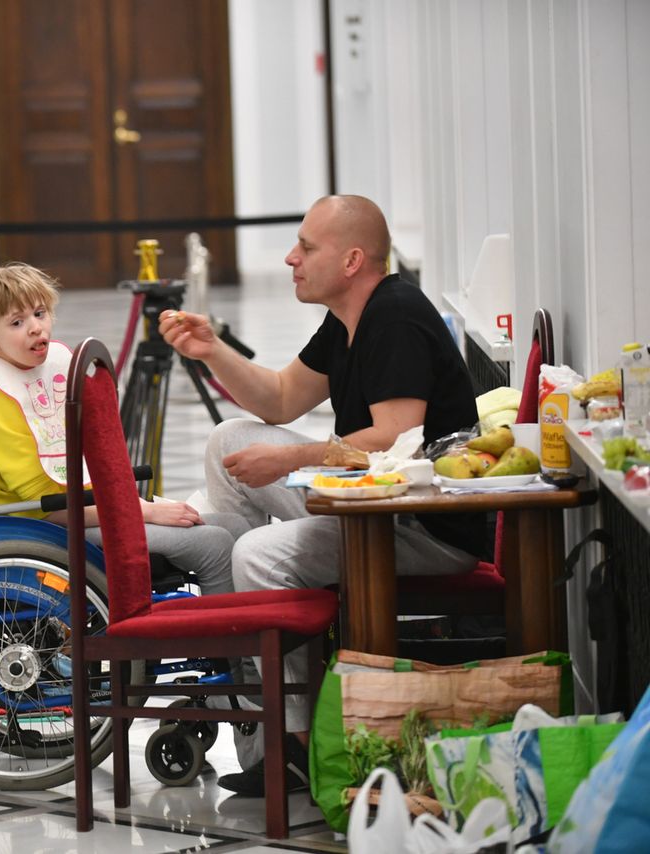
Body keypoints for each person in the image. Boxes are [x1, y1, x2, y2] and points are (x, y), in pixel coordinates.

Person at [158, 194, 486, 796]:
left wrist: (290, 458)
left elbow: (395, 438)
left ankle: (297, 743)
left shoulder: (396, 315)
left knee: (259, 553)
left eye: (307, 247)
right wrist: (212, 351)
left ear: (353, 259)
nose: (291, 258)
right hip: (373, 504)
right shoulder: (349, 318)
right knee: (229, 440)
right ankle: (247, 637)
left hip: (425, 525)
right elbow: (280, 399)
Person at [0, 263, 245, 599]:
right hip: (44, 524)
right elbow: (46, 503)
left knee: (237, 529)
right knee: (213, 544)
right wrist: (143, 509)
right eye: (17, 322)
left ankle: (255, 642)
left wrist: (135, 504)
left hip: (92, 504)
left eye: (40, 313)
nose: (36, 328)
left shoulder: (53, 369)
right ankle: (233, 648)